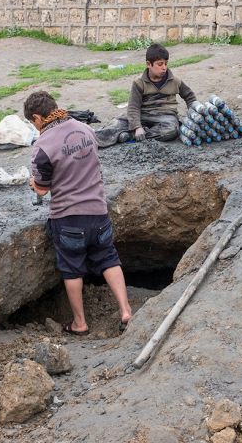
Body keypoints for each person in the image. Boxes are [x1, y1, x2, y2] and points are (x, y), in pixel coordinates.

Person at [27, 91, 133, 336]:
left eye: (32, 123)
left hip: (68, 218)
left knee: (72, 268)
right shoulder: (84, 129)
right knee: (108, 257)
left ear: (37, 117)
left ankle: (79, 323)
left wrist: (34, 182)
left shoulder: (42, 145)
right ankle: (125, 309)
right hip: (98, 211)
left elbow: (42, 191)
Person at [95, 43, 197, 148]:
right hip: (144, 116)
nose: (164, 68)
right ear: (149, 64)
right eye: (160, 64)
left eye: (166, 64)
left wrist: (194, 115)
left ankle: (131, 135)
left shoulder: (175, 80)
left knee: (171, 131)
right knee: (116, 123)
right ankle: (89, 138)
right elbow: (133, 107)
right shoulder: (139, 82)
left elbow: (190, 96)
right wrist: (137, 126)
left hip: (165, 116)